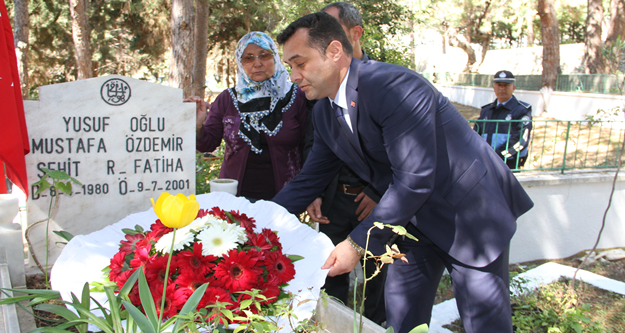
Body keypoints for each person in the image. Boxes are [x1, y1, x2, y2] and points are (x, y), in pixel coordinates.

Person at [271, 12, 534, 333]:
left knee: (486, 326)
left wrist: (355, 245)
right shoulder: (325, 113)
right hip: (409, 227)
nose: (294, 75)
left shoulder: (392, 85)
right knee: (403, 323)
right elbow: (309, 180)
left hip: (469, 216)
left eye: (300, 63)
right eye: (290, 66)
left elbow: (415, 178)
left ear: (335, 52)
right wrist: (258, 226)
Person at [304, 2, 386, 325]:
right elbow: (314, 141)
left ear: (355, 34)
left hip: (376, 204)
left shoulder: (384, 82)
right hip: (333, 202)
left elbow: (404, 154)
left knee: (378, 285)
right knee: (330, 283)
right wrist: (314, 191)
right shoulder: (320, 80)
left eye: (330, 31)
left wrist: (380, 192)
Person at [190, 32, 308, 201]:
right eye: (249, 58)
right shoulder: (228, 99)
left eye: (264, 55)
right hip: (234, 199)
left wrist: (310, 191)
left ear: (275, 57)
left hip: (284, 198)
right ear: (240, 62)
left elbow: (309, 147)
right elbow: (207, 143)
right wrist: (198, 126)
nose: (257, 63)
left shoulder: (297, 96)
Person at [474, 70, 532, 170]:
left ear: (513, 88)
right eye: (499, 85)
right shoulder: (486, 111)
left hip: (508, 163)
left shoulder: (521, 110)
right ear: (494, 88)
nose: (502, 88)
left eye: (506, 85)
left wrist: (498, 156)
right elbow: (475, 135)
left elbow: (521, 140)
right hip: (485, 162)